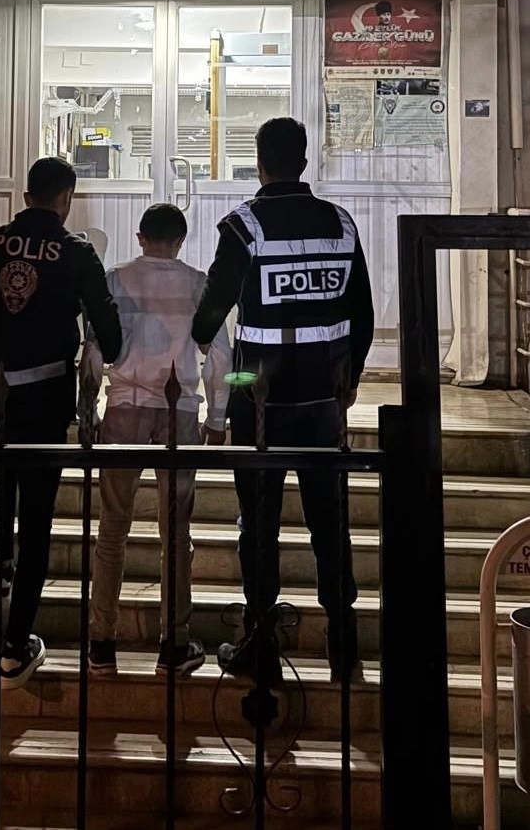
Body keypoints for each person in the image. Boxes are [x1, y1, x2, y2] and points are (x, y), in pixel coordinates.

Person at [191, 117, 374, 684]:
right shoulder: (340, 223)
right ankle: (343, 643)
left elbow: (209, 315)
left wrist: (203, 335)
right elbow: (363, 315)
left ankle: (261, 641)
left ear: (260, 162)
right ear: (303, 160)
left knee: (259, 522)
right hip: (323, 400)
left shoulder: (244, 226)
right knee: (329, 521)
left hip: (258, 400)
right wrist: (349, 377)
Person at [0, 157, 122, 689]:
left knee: (3, 468)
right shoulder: (76, 250)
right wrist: (108, 348)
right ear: (66, 199)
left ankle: (0, 568)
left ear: (26, 196)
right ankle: (15, 647)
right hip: (40, 394)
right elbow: (107, 327)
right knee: (37, 514)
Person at [81, 203, 231, 678]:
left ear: (140, 237)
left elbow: (93, 349)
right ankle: (174, 642)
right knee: (176, 534)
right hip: (178, 411)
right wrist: (218, 417)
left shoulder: (115, 279)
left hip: (124, 406)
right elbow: (220, 356)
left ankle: (101, 641)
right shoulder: (197, 283)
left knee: (112, 529)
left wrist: (87, 410)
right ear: (181, 241)